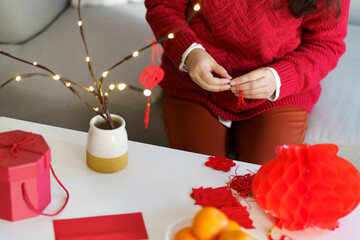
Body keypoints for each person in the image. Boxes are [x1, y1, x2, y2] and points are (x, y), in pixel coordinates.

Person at [144, 0, 350, 164]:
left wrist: (278, 78)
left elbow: (326, 43)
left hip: (279, 93)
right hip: (195, 84)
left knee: (261, 191)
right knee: (196, 187)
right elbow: (163, 6)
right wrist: (189, 52)